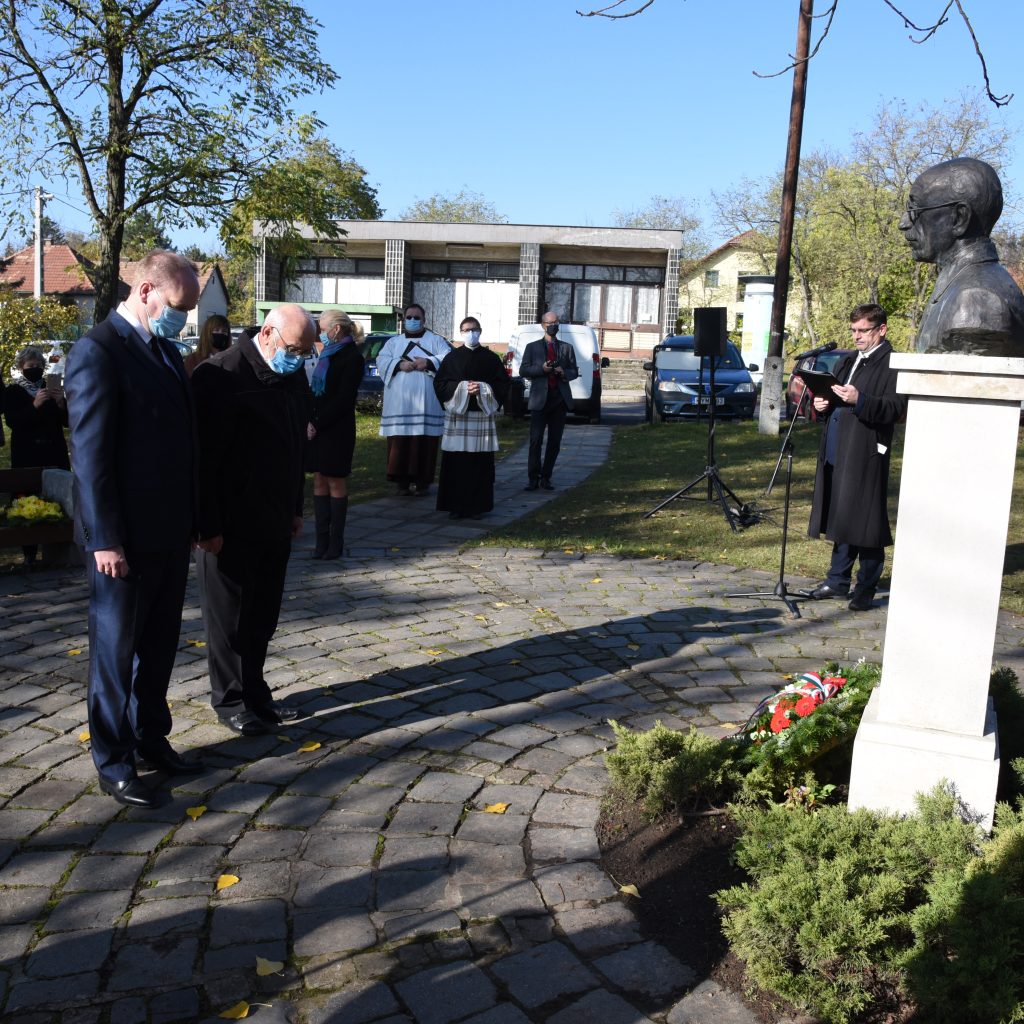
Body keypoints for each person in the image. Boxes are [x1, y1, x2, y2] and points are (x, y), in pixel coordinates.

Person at [64, 250, 203, 808]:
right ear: (146, 291)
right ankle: (114, 760)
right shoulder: (98, 351)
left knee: (159, 645)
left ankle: (151, 737)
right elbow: (90, 456)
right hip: (121, 540)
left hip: (168, 531)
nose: (183, 319)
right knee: (115, 653)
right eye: (179, 306)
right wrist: (104, 538)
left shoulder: (164, 351)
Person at [192, 304, 315, 736]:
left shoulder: (292, 375)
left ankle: (256, 692)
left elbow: (295, 448)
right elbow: (203, 459)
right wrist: (206, 525)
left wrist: (296, 507)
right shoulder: (219, 375)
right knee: (229, 617)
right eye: (294, 349)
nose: (299, 358)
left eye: (305, 352)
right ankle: (230, 699)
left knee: (263, 613)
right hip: (229, 522)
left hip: (275, 517)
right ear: (267, 333)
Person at [806, 304, 908, 612]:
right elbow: (832, 399)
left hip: (867, 449)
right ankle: (837, 581)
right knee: (841, 514)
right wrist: (821, 405)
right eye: (853, 330)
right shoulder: (848, 360)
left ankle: (866, 587)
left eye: (863, 330)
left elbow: (895, 408)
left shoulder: (892, 364)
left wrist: (860, 399)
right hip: (838, 446)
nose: (857, 336)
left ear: (882, 329)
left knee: (866, 521)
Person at [900, 157, 1024, 356]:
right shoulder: (954, 283)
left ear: (959, 218)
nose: (904, 223)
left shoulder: (977, 299)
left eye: (915, 210)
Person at [433, 317, 510, 519]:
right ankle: (455, 506)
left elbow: (503, 384)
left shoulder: (491, 358)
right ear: (461, 332)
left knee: (479, 463)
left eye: (474, 329)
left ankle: (477, 507)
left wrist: (482, 389)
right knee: (456, 463)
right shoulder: (452, 358)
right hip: (459, 417)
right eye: (467, 330)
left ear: (480, 331)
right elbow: (440, 384)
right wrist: (463, 389)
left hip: (481, 417)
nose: (471, 333)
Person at [4, 346, 70, 565]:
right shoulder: (13, 391)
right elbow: (13, 422)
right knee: (25, 497)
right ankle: (29, 553)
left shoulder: (49, 388)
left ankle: (59, 550)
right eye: (30, 365)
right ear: (22, 367)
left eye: (38, 365)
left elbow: (67, 421)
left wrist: (60, 403)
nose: (35, 368)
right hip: (27, 454)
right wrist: (34, 405)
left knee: (59, 499)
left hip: (53, 452)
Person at [308, 310, 365, 558]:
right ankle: (320, 541)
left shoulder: (352, 357)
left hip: (337, 428)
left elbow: (344, 399)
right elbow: (315, 391)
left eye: (323, 329)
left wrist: (318, 422)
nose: (320, 334)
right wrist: (310, 419)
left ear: (336, 329)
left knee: (335, 480)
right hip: (317, 426)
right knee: (319, 479)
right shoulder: (326, 353)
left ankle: (335, 542)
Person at [376, 303, 449, 496]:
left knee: (424, 442)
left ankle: (422, 483)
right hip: (399, 404)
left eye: (417, 317)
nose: (413, 320)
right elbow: (381, 360)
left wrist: (428, 362)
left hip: (426, 404)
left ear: (424, 320)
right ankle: (401, 483)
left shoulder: (436, 340)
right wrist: (399, 364)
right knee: (400, 442)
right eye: (409, 317)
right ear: (403, 320)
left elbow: (449, 359)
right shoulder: (393, 342)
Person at [519, 312, 578, 491]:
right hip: (539, 400)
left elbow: (574, 371)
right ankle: (533, 478)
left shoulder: (567, 348)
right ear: (543, 325)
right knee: (535, 440)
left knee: (554, 441)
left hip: (559, 400)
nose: (553, 325)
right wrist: (542, 369)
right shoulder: (532, 347)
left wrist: (563, 372)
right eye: (550, 323)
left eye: (556, 322)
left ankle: (546, 477)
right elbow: (524, 370)